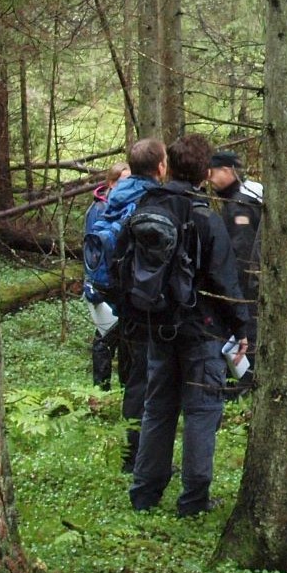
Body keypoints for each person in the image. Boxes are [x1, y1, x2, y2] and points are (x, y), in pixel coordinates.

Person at [128, 133, 252, 517]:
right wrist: (241, 328)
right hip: (202, 329)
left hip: (158, 325)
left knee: (158, 407)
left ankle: (145, 494)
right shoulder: (205, 218)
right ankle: (193, 501)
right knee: (202, 411)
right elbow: (224, 280)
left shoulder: (147, 206)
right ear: (202, 172)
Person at [89, 142, 165, 471]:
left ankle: (133, 454)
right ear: (160, 167)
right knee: (149, 380)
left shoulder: (112, 200)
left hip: (124, 299)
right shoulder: (152, 200)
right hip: (149, 301)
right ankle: (141, 459)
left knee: (135, 379)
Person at [206, 149, 265, 351]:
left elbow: (243, 254)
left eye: (212, 173)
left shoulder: (242, 205)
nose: (209, 179)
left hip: (247, 294)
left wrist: (235, 300)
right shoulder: (240, 199)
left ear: (226, 170)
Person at [87, 162, 133, 391]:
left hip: (122, 284)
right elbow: (92, 250)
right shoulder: (98, 210)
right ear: (112, 183)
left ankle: (126, 387)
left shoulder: (129, 208)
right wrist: (93, 285)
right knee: (105, 337)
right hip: (102, 284)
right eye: (123, 181)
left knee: (126, 337)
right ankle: (101, 388)